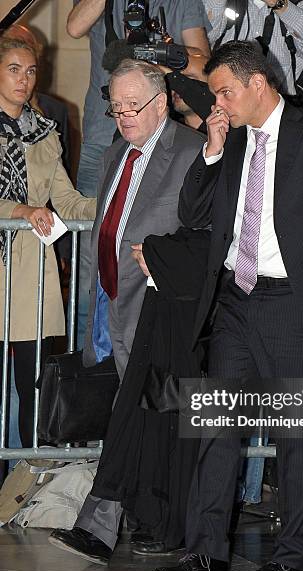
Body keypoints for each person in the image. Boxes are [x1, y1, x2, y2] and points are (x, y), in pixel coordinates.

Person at [154, 40, 303, 571]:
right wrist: (211, 151)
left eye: (225, 93)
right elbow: (192, 212)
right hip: (235, 301)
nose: (219, 104)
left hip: (293, 305)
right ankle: (206, 552)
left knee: (294, 434)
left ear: (257, 84)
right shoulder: (231, 140)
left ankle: (291, 556)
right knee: (217, 426)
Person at [48, 59, 206, 564]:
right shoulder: (117, 153)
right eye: (114, 105)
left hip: (162, 310)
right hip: (114, 305)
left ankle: (99, 522)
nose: (121, 114)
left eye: (132, 104)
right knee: (149, 417)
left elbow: (199, 229)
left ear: (162, 102)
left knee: (131, 418)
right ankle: (153, 520)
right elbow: (104, 228)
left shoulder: (190, 150)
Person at [66, 0, 211, 348]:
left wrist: (162, 56)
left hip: (161, 139)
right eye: (121, 103)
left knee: (147, 251)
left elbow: (204, 62)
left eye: (128, 103)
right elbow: (73, 26)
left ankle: (142, 352)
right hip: (102, 144)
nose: (124, 110)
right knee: (92, 264)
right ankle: (94, 358)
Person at [0, 38, 95, 449]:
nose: (24, 79)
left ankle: (23, 491)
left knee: (32, 391)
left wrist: (119, 200)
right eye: (14, 69)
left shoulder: (45, 132)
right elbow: (26, 208)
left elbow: (69, 202)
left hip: (30, 277)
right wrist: (21, 210)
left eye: (31, 70)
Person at [203, 0, 303, 95]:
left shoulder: (296, 4)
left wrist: (278, 4)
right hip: (225, 106)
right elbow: (203, 37)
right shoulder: (222, 3)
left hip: (278, 110)